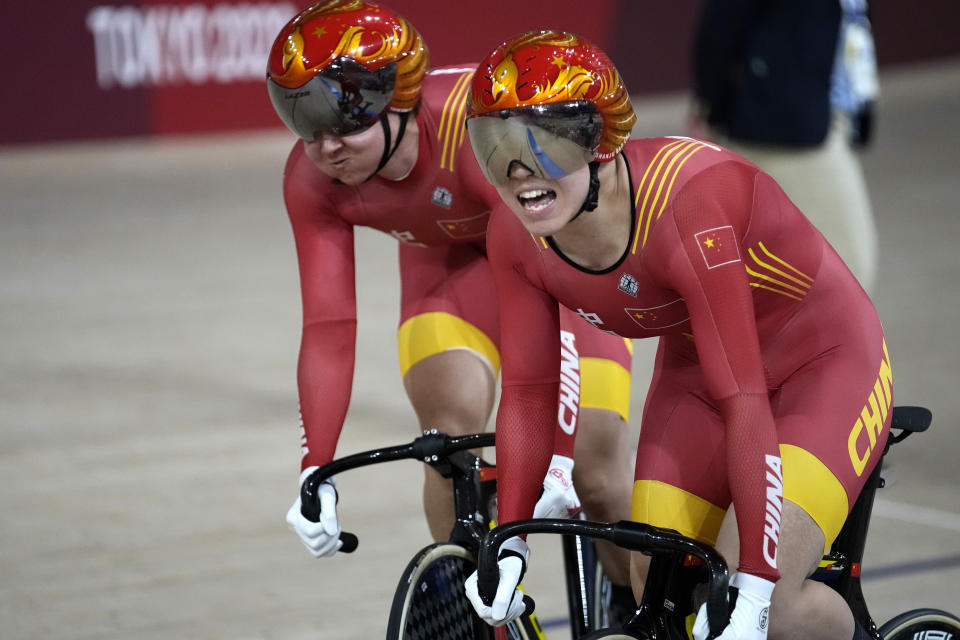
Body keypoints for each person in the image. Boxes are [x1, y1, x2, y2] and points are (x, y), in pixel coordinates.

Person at [462, 31, 891, 640]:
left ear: (599, 142)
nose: (519, 175)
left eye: (544, 147)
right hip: (702, 374)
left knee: (773, 610)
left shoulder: (687, 207)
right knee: (658, 593)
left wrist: (759, 589)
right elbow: (531, 393)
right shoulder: (514, 237)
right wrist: (510, 543)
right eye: (495, 146)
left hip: (823, 365)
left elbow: (744, 399)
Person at [264, 0, 637, 595]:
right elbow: (329, 327)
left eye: (344, 124)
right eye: (304, 123)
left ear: (399, 100)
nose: (326, 147)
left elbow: (549, 305)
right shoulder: (311, 180)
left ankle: (637, 609)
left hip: (560, 268)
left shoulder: (477, 133)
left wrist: (560, 453)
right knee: (447, 439)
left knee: (593, 469)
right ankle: (466, 600)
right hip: (447, 273)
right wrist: (317, 471)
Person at [688, 0, 880, 294]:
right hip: (784, 123)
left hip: (825, 114)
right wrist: (709, 108)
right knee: (848, 271)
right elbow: (722, 23)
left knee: (800, 279)